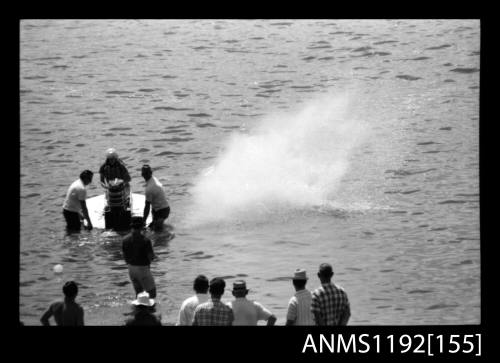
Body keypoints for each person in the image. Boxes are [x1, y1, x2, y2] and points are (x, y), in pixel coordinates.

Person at [122, 216, 157, 298]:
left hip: (131, 269)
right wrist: (154, 256)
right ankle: (149, 310)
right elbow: (151, 257)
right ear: (142, 226)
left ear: (131, 226)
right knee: (152, 294)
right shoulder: (145, 240)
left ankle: (138, 309)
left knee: (139, 294)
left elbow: (125, 257)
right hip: (143, 269)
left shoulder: (125, 239)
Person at [141, 164, 170, 232]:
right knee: (152, 228)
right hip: (164, 209)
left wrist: (144, 221)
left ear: (142, 175)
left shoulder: (149, 188)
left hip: (161, 211)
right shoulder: (153, 179)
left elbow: (147, 207)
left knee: (158, 232)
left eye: (145, 173)